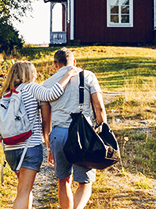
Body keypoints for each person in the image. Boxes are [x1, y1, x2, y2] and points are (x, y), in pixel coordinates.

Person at [0, 61, 82, 209]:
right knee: (23, 192)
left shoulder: (4, 95)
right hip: (29, 147)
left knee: (25, 190)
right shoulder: (31, 88)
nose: (36, 75)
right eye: (33, 71)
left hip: (10, 149)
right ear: (26, 74)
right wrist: (68, 74)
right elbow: (52, 93)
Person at [40, 48, 107, 209]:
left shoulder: (47, 84)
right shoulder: (88, 76)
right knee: (85, 183)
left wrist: (49, 146)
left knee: (63, 181)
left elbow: (45, 121)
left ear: (55, 64)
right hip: (82, 136)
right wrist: (103, 136)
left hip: (58, 135)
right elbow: (99, 109)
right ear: (74, 62)